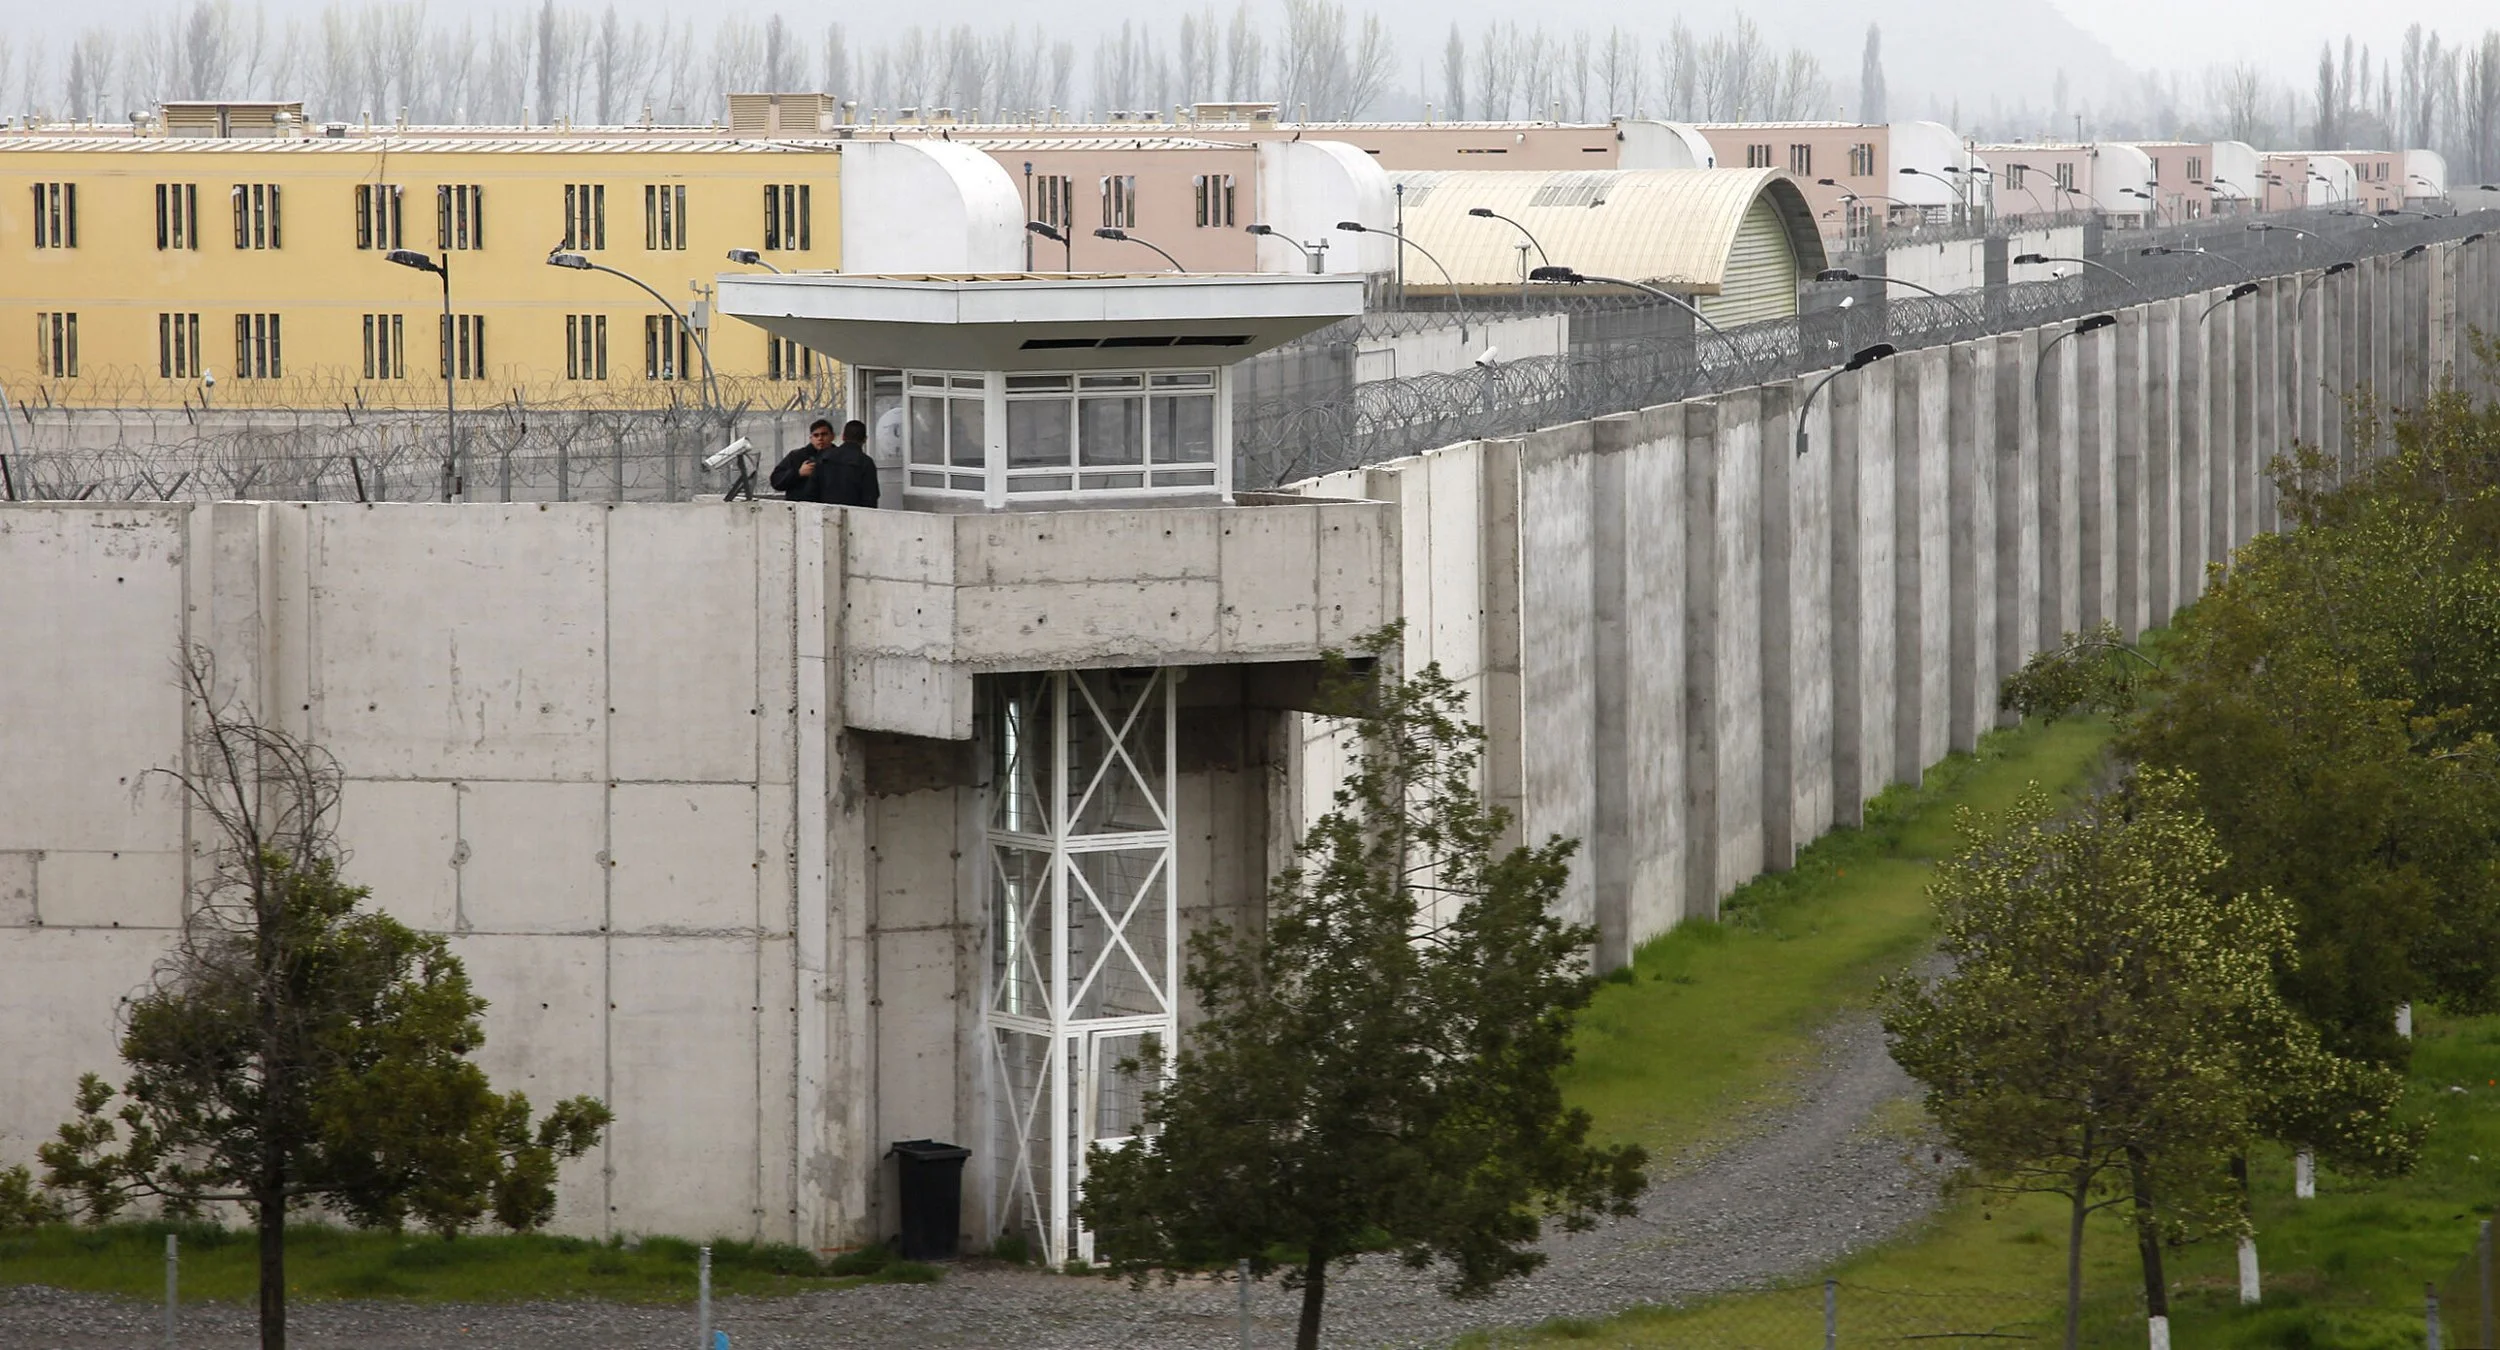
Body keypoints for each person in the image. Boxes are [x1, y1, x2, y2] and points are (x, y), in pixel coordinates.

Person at [769, 418, 880, 508]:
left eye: (824, 434)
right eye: (816, 435)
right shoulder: (797, 456)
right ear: (810, 438)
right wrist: (798, 474)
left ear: (833, 436)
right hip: (803, 511)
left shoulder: (832, 458)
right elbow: (776, 481)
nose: (820, 439)